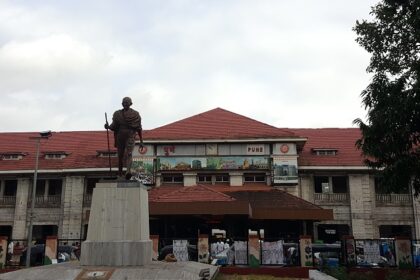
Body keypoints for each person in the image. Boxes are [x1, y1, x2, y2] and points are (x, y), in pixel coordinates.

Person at [105, 97, 143, 178]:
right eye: (124, 102)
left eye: (127, 102)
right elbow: (113, 126)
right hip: (120, 136)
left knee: (129, 153)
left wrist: (141, 141)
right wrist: (108, 126)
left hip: (130, 136)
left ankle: (128, 171)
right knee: (120, 155)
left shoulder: (135, 114)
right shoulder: (117, 114)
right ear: (122, 104)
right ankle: (120, 172)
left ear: (130, 104)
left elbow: (139, 128)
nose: (125, 104)